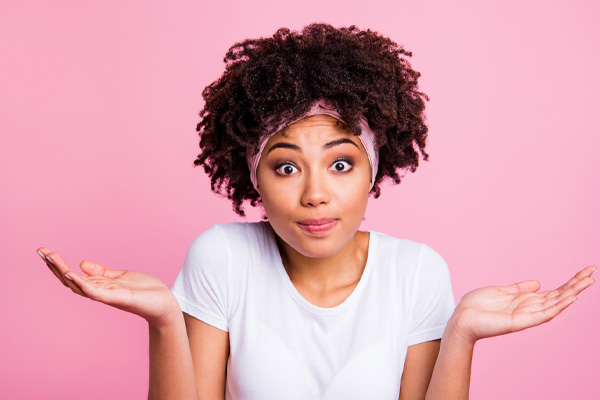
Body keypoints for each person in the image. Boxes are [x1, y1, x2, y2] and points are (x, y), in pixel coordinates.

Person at [37, 24, 596, 400]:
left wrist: (463, 334)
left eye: (341, 164)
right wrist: (164, 320)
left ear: (374, 169)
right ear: (252, 174)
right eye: (285, 167)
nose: (315, 194)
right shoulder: (223, 258)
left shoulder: (417, 272)